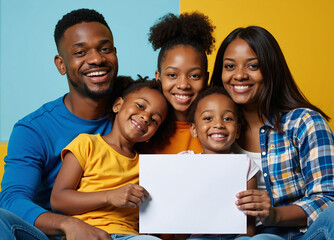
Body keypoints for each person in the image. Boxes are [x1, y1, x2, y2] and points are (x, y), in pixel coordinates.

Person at [210, 26, 334, 239]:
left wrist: (273, 215)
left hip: (304, 234)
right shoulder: (211, 131)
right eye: (230, 66)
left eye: (253, 66)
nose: (240, 75)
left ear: (271, 70)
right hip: (251, 237)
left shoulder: (304, 123)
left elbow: (330, 198)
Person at [0, 8, 122, 240]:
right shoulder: (33, 129)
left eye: (105, 49)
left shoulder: (138, 116)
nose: (96, 59)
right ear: (61, 64)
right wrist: (69, 225)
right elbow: (12, 200)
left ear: (115, 54)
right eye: (80, 52)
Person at [50, 79, 171, 240]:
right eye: (140, 106)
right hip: (85, 233)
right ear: (118, 105)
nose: (145, 118)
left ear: (152, 134)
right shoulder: (86, 144)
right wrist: (110, 196)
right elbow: (58, 200)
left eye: (155, 119)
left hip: (128, 236)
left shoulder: (147, 167)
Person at [184, 87, 259, 239]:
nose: (218, 124)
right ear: (193, 129)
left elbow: (248, 225)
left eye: (228, 118)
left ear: (237, 130)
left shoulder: (246, 166)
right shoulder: (184, 162)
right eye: (207, 118)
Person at [146, 11, 216, 155]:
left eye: (194, 75)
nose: (183, 84)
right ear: (158, 76)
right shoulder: (145, 125)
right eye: (172, 75)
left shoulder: (218, 127)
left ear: (206, 78)